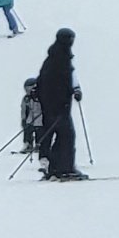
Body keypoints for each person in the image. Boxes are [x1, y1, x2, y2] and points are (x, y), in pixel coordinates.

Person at [37, 28, 84, 179]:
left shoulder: (58, 57)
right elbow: (54, 84)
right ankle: (64, 168)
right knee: (67, 136)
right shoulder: (59, 60)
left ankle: (57, 167)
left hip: (56, 106)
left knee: (64, 136)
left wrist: (75, 90)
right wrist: (62, 100)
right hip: (57, 107)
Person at [20, 78, 43, 155]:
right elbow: (23, 109)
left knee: (39, 132)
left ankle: (39, 145)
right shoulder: (26, 98)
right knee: (27, 131)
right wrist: (23, 119)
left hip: (40, 119)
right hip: (30, 119)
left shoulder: (41, 96)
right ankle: (28, 144)